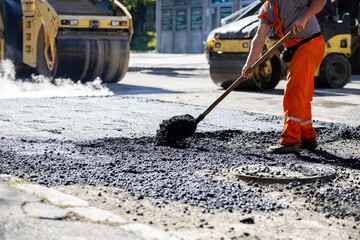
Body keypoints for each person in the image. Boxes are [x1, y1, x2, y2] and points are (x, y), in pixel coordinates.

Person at [242, 0, 327, 154]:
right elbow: (260, 37)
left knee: (293, 92)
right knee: (302, 95)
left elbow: (321, 1)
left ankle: (290, 140)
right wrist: (249, 64)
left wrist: (303, 18)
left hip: (310, 43)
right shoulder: (267, 8)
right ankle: (306, 136)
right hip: (297, 47)